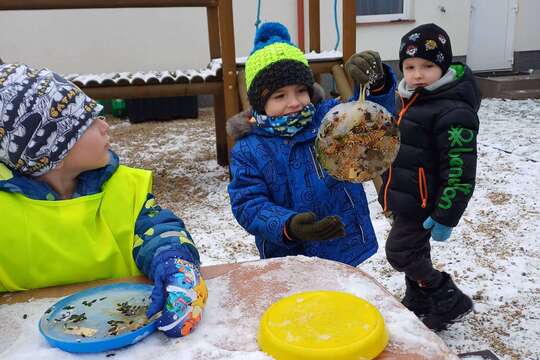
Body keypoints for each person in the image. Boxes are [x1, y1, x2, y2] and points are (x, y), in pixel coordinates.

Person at [0, 63, 207, 338]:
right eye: (87, 122)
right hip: (26, 343)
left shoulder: (123, 187)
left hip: (130, 329)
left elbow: (158, 230)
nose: (104, 125)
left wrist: (173, 260)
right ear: (49, 151)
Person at [227, 22, 396, 267]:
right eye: (280, 96)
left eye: (300, 91)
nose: (294, 102)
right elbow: (247, 203)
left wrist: (375, 86)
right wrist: (288, 225)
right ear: (259, 103)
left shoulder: (328, 119)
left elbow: (368, 124)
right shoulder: (249, 149)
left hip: (342, 242)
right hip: (288, 255)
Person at [379, 23, 481, 331]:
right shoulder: (412, 98)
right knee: (416, 250)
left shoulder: (453, 111)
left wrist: (446, 215)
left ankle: (447, 296)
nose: (417, 74)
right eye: (409, 66)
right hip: (409, 195)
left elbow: (461, 170)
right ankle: (420, 298)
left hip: (426, 201)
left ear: (444, 66)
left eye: (427, 65)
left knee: (399, 251)